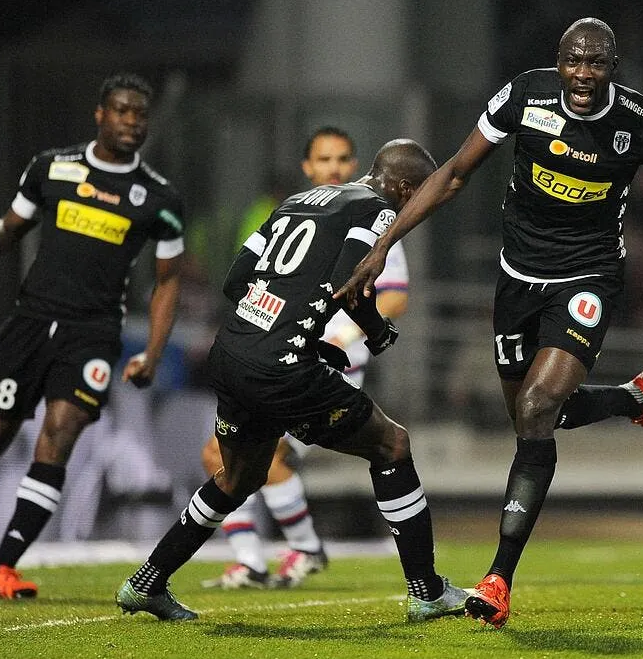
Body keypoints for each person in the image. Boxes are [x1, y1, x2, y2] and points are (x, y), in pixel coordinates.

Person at [340, 17, 643, 628]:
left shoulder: (641, 124)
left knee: (539, 409)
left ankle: (498, 579)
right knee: (529, 412)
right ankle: (635, 398)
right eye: (574, 61)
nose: (584, 75)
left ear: (612, 68)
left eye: (596, 64)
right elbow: (457, 171)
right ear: (559, 62)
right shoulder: (524, 97)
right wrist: (386, 241)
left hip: (589, 278)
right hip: (517, 277)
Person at [116, 139, 469, 623]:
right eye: (419, 195)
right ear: (406, 188)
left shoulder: (297, 201)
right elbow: (350, 279)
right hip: (278, 367)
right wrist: (378, 329)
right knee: (391, 445)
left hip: (233, 351)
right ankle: (426, 591)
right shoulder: (378, 208)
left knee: (239, 477)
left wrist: (290, 330)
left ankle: (146, 582)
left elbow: (237, 279)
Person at [0, 73, 185, 599]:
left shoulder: (159, 200)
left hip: (92, 334)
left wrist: (152, 351)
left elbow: (169, 282)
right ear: (100, 114)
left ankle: (3, 568)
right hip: (30, 321)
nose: (131, 122)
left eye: (139, 115)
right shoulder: (51, 168)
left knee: (60, 434)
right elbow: (10, 229)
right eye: (121, 111)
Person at [200, 126, 415, 589]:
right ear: (307, 167)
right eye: (323, 160)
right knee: (229, 460)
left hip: (323, 364)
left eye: (342, 159)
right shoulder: (303, 213)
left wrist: (341, 336)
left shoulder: (375, 221)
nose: (333, 168)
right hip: (284, 355)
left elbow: (393, 295)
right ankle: (265, 557)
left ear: (357, 167)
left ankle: (283, 552)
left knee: (258, 459)